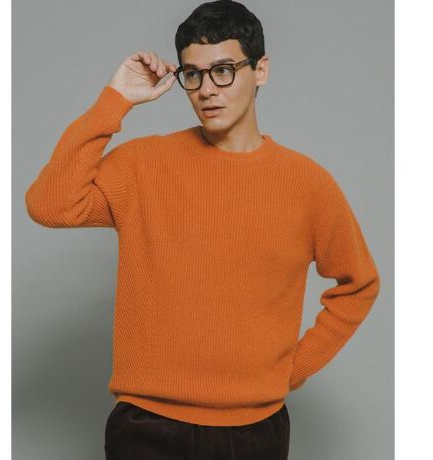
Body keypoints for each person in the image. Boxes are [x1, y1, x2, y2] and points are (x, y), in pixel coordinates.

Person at [25, 1, 381, 458]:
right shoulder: (143, 164)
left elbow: (358, 285)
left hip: (254, 429)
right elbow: (49, 204)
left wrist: (291, 370)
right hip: (145, 424)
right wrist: (116, 98)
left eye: (223, 71)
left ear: (261, 70)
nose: (207, 90)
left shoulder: (306, 184)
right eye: (192, 75)